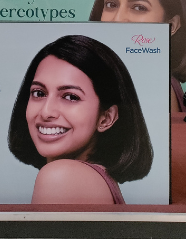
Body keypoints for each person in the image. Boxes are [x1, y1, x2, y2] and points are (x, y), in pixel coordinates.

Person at [8, 35, 153, 205]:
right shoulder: (95, 179)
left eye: (70, 97)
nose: (46, 112)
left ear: (106, 118)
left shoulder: (63, 177)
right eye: (39, 93)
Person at [89, 0, 186, 113]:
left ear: (172, 25)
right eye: (111, 4)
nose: (117, 19)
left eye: (139, 7)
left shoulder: (150, 86)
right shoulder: (115, 77)